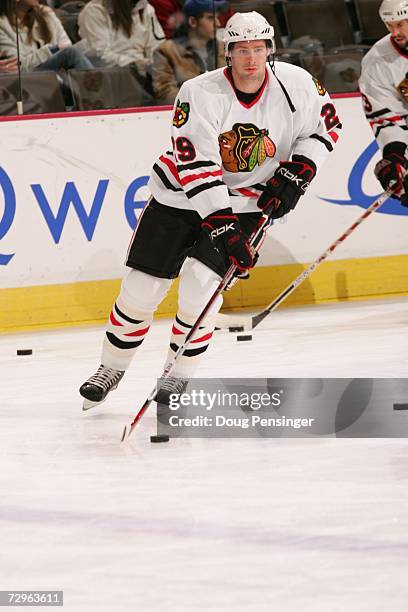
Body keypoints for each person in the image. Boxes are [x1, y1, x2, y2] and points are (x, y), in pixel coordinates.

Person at [79, 11, 341, 410]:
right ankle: (111, 367)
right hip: (179, 197)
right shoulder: (198, 92)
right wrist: (223, 226)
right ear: (227, 53)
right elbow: (197, 166)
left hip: (249, 203)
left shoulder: (298, 85)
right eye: (241, 50)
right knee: (140, 291)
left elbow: (326, 128)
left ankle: (176, 375)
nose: (251, 59)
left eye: (258, 49)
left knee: (201, 291)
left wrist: (300, 169)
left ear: (269, 49)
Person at [359, 0, 408, 206]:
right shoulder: (377, 61)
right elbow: (387, 116)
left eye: (400, 24)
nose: (394, 31)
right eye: (390, 25)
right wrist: (394, 155)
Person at [78, 0, 165, 89]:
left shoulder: (146, 8)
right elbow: (99, 55)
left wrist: (153, 64)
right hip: (115, 76)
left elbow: (157, 45)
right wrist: (134, 64)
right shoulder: (94, 11)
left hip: (148, 72)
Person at [152, 0, 226, 104]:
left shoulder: (224, 48)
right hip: (187, 114)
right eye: (210, 18)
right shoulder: (166, 51)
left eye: (217, 18)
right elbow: (165, 93)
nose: (218, 24)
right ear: (192, 22)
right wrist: (200, 105)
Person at [0, 0, 92, 73]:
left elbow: (66, 44)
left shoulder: (46, 14)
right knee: (71, 53)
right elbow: (18, 66)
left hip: (58, 73)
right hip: (28, 78)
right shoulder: (2, 26)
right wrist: (52, 50)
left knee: (85, 49)